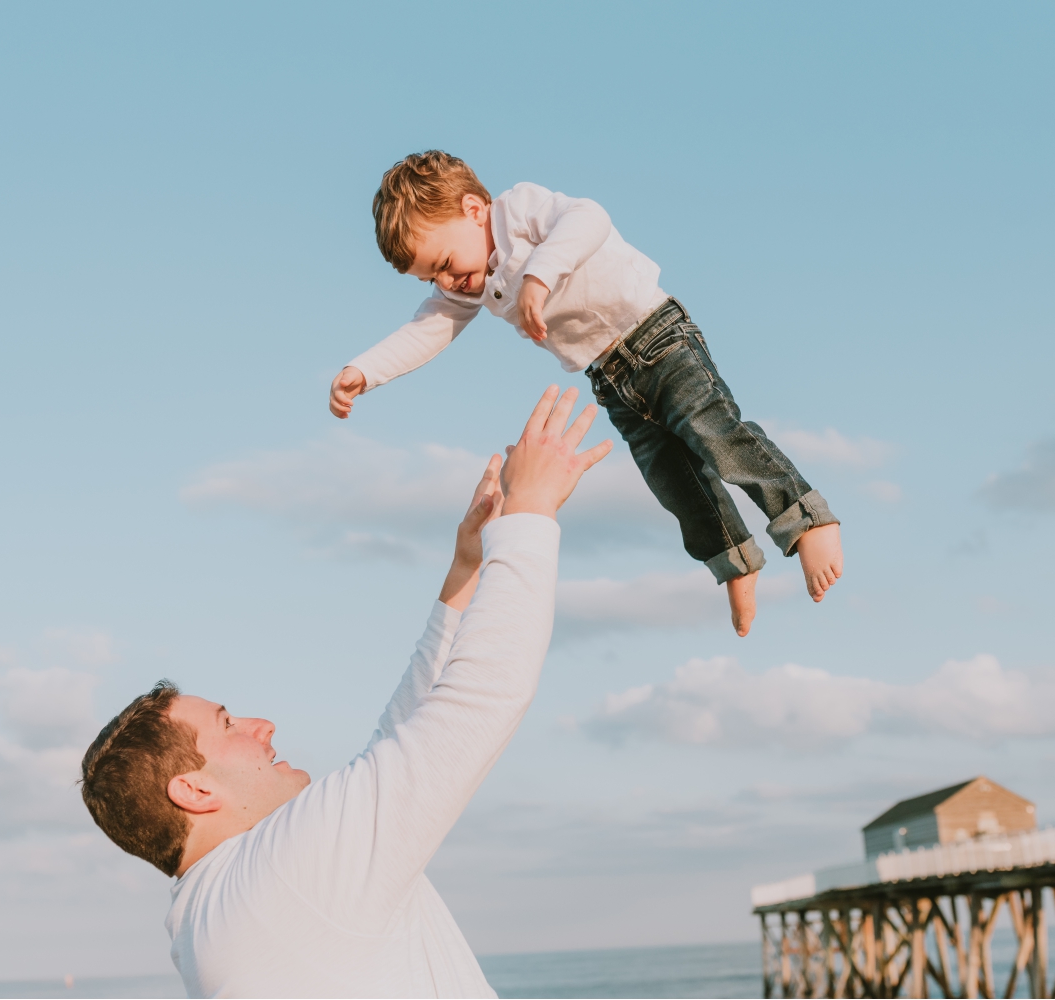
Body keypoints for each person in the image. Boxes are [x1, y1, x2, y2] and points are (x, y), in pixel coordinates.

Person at [79, 387, 611, 999]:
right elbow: (480, 701)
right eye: (227, 725)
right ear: (195, 789)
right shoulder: (285, 871)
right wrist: (530, 510)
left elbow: (396, 744)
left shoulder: (211, 912)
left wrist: (465, 575)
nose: (263, 726)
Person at [328, 151, 843, 637]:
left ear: (473, 209)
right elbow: (428, 328)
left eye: (443, 262)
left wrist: (538, 276)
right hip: (610, 376)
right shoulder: (467, 283)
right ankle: (732, 558)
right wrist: (365, 370)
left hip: (656, 337)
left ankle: (804, 520)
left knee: (715, 434)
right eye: (431, 277)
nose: (448, 282)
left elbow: (588, 218)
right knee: (672, 478)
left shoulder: (518, 212)